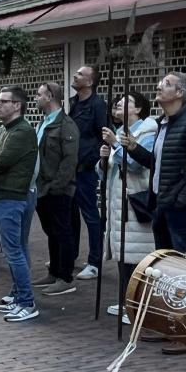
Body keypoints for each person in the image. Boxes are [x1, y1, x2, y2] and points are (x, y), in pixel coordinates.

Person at [124, 71, 186, 354]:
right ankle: (169, 325)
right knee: (164, 271)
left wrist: (180, 199)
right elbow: (158, 163)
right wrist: (134, 149)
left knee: (185, 271)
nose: (159, 87)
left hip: (180, 208)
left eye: (166, 85)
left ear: (180, 94)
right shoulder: (163, 124)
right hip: (162, 205)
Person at [100, 91, 159, 320]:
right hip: (118, 201)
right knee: (124, 253)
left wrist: (116, 145)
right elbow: (112, 168)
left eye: (127, 103)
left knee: (137, 255)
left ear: (138, 109)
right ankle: (127, 301)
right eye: (119, 103)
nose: (120, 105)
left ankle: (137, 307)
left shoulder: (147, 133)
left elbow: (136, 166)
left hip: (135, 201)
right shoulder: (120, 132)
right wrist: (104, 158)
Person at [0, 86, 39, 322]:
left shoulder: (22, 132)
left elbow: (1, 161)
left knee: (13, 251)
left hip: (10, 196)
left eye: (3, 101)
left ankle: (26, 301)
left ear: (17, 105)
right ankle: (18, 295)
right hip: (1, 194)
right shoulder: (5, 130)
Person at [32, 82, 80, 297]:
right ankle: (54, 271)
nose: (36, 98)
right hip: (42, 188)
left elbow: (69, 162)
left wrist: (55, 187)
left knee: (62, 232)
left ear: (50, 96)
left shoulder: (66, 125)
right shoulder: (45, 122)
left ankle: (65, 277)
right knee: (51, 232)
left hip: (57, 190)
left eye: (39, 94)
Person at [67, 65, 109, 281]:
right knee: (71, 212)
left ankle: (94, 262)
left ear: (90, 82)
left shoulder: (97, 105)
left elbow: (103, 135)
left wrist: (95, 161)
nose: (76, 75)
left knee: (90, 215)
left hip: (86, 169)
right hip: (71, 168)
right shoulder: (73, 103)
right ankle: (71, 255)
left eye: (81, 74)